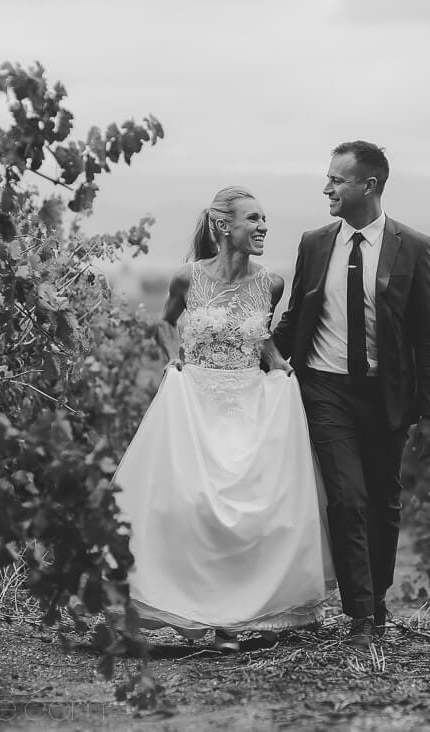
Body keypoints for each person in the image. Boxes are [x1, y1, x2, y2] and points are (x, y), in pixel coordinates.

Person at [112, 186, 335, 653]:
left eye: (264, 219)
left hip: (249, 402)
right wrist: (174, 358)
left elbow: (261, 338)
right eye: (253, 219)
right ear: (223, 225)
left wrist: (277, 362)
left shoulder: (270, 283)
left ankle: (234, 621)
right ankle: (192, 612)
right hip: (196, 399)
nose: (263, 227)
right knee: (188, 505)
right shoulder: (187, 278)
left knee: (253, 513)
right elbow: (165, 322)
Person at [273, 141, 430, 649]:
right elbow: (293, 321)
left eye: (336, 179)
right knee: (347, 498)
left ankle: (378, 598)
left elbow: (427, 334)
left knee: (383, 503)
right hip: (325, 390)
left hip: (386, 395)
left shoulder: (413, 246)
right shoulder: (314, 243)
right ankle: (360, 615)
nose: (326, 187)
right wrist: (245, 351)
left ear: (368, 186)